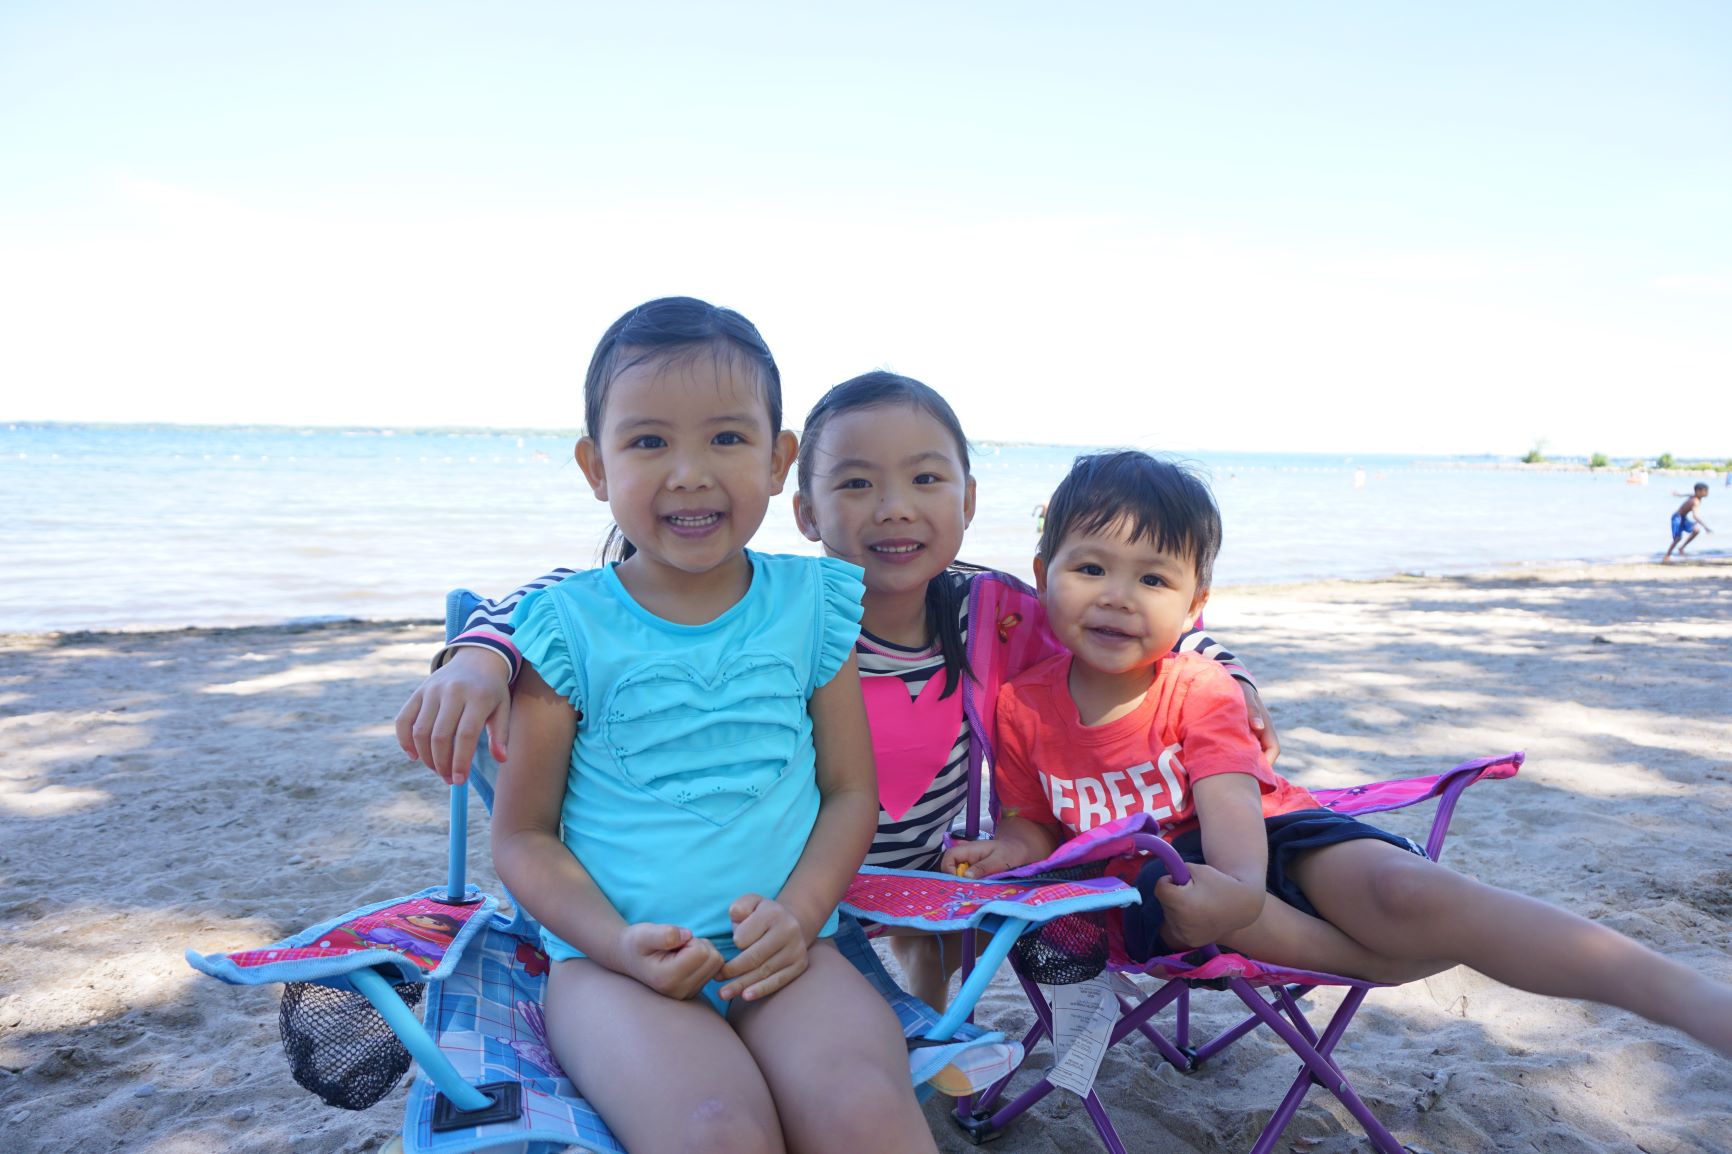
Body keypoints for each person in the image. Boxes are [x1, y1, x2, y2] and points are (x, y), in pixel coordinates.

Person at [398, 371, 1281, 1009]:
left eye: (925, 479)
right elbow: (562, 600)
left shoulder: (994, 612)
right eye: (856, 483)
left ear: (969, 499)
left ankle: (934, 1014)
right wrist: (478, 655)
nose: (894, 506)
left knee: (935, 944)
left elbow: (1116, 618)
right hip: (790, 880)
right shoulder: (781, 609)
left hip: (927, 872)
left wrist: (1225, 670)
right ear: (807, 511)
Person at [944, 450, 1732, 1057]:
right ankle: (1388, 965)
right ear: (1044, 576)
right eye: (1091, 568)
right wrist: (1000, 849)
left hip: (1265, 836)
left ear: (1194, 605)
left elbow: (1230, 803)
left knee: (1409, 895)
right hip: (1156, 884)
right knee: (1188, 895)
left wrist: (1244, 889)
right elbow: (1035, 825)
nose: (1117, 596)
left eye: (1153, 578)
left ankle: (1683, 996)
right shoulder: (1021, 706)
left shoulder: (1200, 687)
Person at [490, 296, 935, 1154]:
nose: (689, 471)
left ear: (778, 460)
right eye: (649, 441)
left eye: (726, 439)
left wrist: (801, 916)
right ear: (595, 466)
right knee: (713, 1131)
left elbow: (850, 794)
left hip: (788, 951)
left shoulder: (815, 604)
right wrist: (617, 943)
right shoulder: (564, 629)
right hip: (616, 971)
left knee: (865, 1111)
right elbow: (523, 838)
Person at [1663, 483, 1712, 562]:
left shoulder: (1695, 496)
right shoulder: (1695, 501)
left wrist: (1679, 495)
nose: (1707, 492)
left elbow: (1689, 494)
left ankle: (1681, 548)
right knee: (1678, 538)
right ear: (1698, 491)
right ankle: (1667, 555)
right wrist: (1706, 527)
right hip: (1677, 518)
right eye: (1705, 491)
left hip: (1683, 518)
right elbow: (1695, 516)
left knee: (1696, 531)